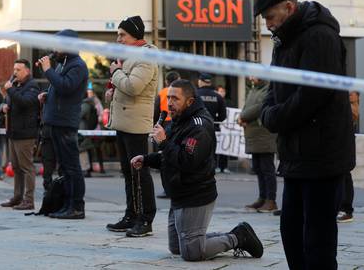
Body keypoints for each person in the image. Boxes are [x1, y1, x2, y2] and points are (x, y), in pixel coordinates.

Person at [256, 0, 355, 269]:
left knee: (317, 240)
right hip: (295, 155)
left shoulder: (320, 35)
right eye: (264, 19)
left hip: (322, 154)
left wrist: (274, 117)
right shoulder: (283, 39)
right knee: (291, 232)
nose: (268, 24)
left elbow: (313, 95)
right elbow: (273, 87)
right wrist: (268, 111)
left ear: (289, 7)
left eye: (270, 17)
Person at [131, 79, 263, 261]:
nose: (169, 103)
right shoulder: (178, 119)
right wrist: (146, 160)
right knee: (177, 247)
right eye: (168, 98)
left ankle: (238, 238)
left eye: (175, 99)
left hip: (195, 195)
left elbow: (187, 161)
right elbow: (170, 156)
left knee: (193, 253)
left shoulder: (199, 126)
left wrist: (163, 142)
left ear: (190, 101)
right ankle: (212, 237)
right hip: (179, 193)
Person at [105, 15, 158, 237]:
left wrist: (115, 73)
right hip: (123, 121)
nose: (118, 39)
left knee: (139, 173)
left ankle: (146, 219)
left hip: (135, 123)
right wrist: (111, 92)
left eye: (122, 35)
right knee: (128, 172)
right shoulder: (129, 56)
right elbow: (124, 87)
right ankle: (131, 215)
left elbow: (134, 86)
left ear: (135, 34)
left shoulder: (146, 56)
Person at [38, 29, 88, 220]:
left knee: (72, 166)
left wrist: (48, 70)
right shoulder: (63, 64)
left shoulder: (78, 65)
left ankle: (77, 207)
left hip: (65, 122)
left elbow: (67, 87)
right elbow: (58, 87)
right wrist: (47, 96)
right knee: (65, 168)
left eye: (58, 44)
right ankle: (67, 204)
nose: (54, 49)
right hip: (56, 121)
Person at [0, 59, 40, 210]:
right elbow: (7, 101)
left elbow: (25, 103)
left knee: (26, 167)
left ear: (27, 71)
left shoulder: (32, 86)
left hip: (25, 133)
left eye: (18, 69)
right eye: (14, 69)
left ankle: (29, 200)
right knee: (16, 167)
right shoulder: (15, 85)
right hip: (13, 132)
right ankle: (17, 197)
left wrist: (10, 90)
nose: (14, 72)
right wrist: (3, 105)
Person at [238, 77, 278, 213]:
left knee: (267, 169)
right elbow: (247, 106)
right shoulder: (254, 89)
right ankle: (262, 197)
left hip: (264, 134)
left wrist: (243, 116)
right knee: (258, 168)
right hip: (254, 134)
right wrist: (240, 118)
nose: (250, 77)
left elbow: (260, 106)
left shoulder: (268, 88)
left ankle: (271, 200)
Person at [153, 71, 180, 199]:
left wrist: (155, 125)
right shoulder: (181, 93)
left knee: (165, 156)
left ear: (166, 82)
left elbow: (156, 110)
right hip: (177, 123)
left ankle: (167, 188)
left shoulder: (162, 93)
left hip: (165, 125)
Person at [196, 73, 227, 174]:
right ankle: (209, 171)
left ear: (200, 81)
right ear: (210, 82)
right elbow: (223, 116)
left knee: (196, 151)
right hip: (212, 128)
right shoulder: (218, 96)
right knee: (210, 151)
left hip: (195, 128)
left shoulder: (195, 94)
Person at [337, 91, 359, 223]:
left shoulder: (350, 97)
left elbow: (354, 114)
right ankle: (341, 207)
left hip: (344, 138)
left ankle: (346, 209)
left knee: (344, 173)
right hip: (336, 136)